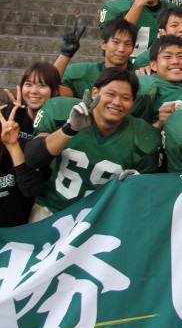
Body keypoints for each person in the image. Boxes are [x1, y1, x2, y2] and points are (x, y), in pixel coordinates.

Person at [26, 68, 161, 219]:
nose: (117, 102)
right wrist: (68, 130)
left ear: (133, 102)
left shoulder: (144, 136)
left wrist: (134, 184)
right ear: (95, 93)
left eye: (125, 98)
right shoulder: (62, 110)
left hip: (100, 220)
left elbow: (143, 194)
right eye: (110, 94)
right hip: (51, 211)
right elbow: (32, 158)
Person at [133, 35, 182, 129]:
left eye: (181, 56)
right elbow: (129, 131)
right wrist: (159, 124)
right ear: (153, 65)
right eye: (167, 56)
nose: (175, 61)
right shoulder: (145, 87)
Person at [57, 18, 139, 97]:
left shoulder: (140, 74)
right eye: (116, 42)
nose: (121, 49)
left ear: (133, 48)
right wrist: (65, 55)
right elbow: (53, 92)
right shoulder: (83, 74)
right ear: (103, 44)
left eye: (127, 44)